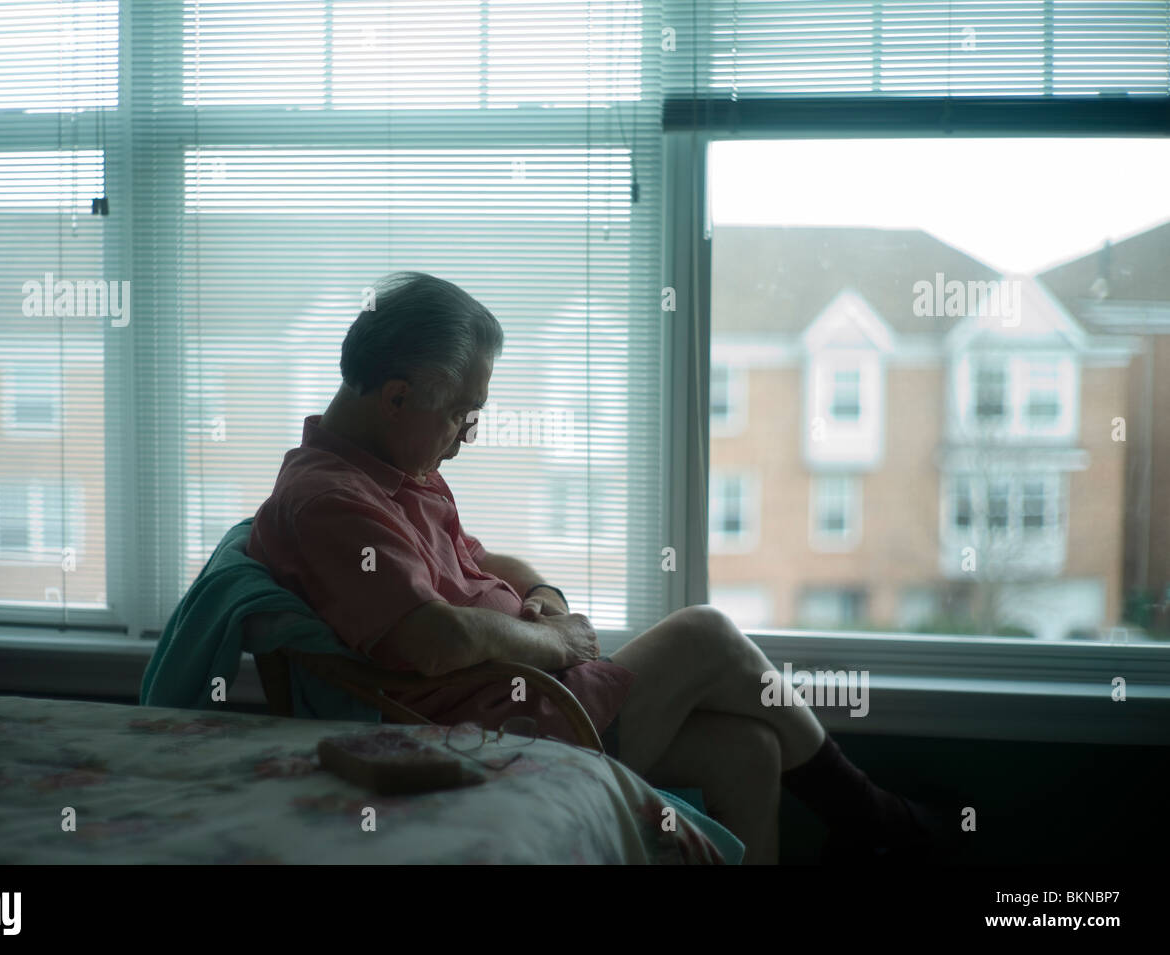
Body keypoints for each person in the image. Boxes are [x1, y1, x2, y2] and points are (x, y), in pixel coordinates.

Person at [247, 271, 938, 864]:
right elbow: (437, 640)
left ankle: (869, 826)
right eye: (462, 414)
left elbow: (483, 558)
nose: (467, 436)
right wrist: (557, 641)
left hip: (536, 695)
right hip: (505, 729)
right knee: (706, 633)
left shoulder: (397, 467)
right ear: (397, 395)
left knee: (749, 748)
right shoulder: (331, 501)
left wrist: (541, 593)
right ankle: (873, 818)